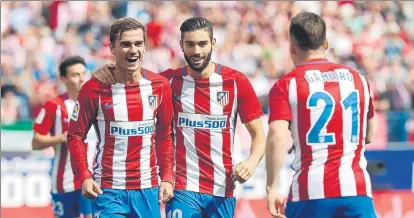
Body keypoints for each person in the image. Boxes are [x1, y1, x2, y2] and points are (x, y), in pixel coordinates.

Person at [92, 17, 266, 218]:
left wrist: (251, 163)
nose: (197, 51)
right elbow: (130, 77)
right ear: (181, 45)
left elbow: (259, 135)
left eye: (202, 43)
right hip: (181, 187)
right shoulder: (167, 81)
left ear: (213, 43)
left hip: (221, 189)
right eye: (190, 44)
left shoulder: (236, 82)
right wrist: (105, 70)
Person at [265, 12, 377, 218]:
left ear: (291, 47)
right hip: (357, 190)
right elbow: (369, 134)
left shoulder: (286, 85)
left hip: (311, 192)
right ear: (325, 44)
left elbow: (277, 136)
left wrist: (272, 188)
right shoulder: (359, 80)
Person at [67, 17, 174, 218]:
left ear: (145, 47)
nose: (133, 50)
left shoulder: (160, 86)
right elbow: (75, 136)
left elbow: (165, 136)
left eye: (138, 43)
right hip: (108, 189)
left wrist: (167, 177)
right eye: (125, 44)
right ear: (112, 48)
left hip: (147, 189)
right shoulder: (94, 88)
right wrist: (84, 176)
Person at [32, 56, 94, 218]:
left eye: (83, 73)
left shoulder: (97, 103)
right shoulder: (54, 106)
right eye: (75, 75)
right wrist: (61, 138)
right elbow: (36, 142)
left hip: (92, 179)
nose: (81, 78)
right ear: (63, 79)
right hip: (64, 182)